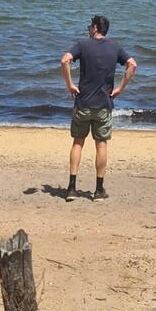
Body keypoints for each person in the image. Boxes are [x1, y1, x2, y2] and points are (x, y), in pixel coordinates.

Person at [59, 14, 136, 201]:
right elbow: (132, 64)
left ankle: (71, 188)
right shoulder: (115, 47)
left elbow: (64, 60)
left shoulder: (83, 45)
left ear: (94, 28)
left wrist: (69, 85)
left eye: (89, 26)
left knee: (78, 143)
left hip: (83, 103)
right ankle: (99, 190)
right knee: (101, 144)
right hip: (103, 104)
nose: (88, 29)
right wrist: (120, 88)